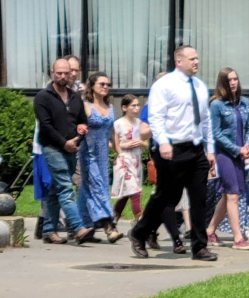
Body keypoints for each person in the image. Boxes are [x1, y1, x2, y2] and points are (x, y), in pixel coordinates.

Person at [129, 45, 217, 261]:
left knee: (199, 198)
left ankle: (199, 247)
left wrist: (210, 149)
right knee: (167, 196)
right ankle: (139, 233)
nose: (196, 62)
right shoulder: (164, 85)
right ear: (179, 61)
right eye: (192, 58)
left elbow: (206, 120)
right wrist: (163, 142)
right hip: (171, 149)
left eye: (197, 58)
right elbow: (156, 117)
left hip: (195, 149)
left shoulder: (200, 86)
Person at [33, 58, 94, 245]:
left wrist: (79, 136)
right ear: (53, 72)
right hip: (52, 148)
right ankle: (78, 228)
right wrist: (64, 142)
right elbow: (46, 126)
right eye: (59, 73)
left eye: (66, 73)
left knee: (56, 189)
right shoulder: (43, 97)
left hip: (71, 147)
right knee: (66, 187)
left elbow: (82, 121)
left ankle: (49, 230)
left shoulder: (76, 97)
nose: (62, 77)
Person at [206, 67, 249, 251]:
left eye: (235, 79)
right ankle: (238, 238)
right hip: (225, 154)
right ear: (222, 83)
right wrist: (237, 149)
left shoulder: (244, 103)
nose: (233, 82)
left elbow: (248, 129)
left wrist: (248, 146)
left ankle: (210, 230)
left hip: (240, 154)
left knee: (228, 195)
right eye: (229, 80)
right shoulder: (216, 105)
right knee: (233, 195)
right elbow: (216, 133)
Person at [140, 72, 187, 255]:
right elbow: (143, 132)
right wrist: (163, 124)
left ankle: (149, 230)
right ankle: (177, 240)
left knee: (174, 197)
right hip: (162, 153)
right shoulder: (151, 105)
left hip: (181, 153)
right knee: (167, 197)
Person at [78, 72, 121, 243]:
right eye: (102, 84)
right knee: (99, 187)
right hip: (88, 153)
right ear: (92, 86)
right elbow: (77, 126)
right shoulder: (86, 105)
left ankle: (82, 225)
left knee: (87, 190)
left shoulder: (109, 107)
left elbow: (112, 132)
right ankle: (109, 226)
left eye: (107, 84)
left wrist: (119, 152)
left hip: (103, 154)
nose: (105, 87)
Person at [112, 94, 146, 225]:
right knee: (135, 191)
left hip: (136, 161)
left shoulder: (140, 124)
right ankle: (141, 221)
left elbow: (145, 144)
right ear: (125, 107)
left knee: (128, 193)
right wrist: (124, 146)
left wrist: (141, 143)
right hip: (124, 161)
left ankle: (114, 218)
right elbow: (115, 144)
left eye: (138, 105)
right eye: (133, 105)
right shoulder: (118, 124)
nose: (137, 108)